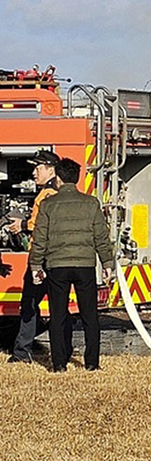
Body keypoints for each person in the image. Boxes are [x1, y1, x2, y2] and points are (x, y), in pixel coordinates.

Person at [28, 157, 114, 372]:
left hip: (57, 266)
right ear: (76, 178)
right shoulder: (91, 203)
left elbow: (40, 239)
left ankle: (58, 364)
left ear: (57, 178)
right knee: (89, 316)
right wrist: (107, 263)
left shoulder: (48, 204)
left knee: (58, 315)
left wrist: (36, 266)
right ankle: (92, 363)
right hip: (84, 265)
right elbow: (101, 237)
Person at [8, 149, 70, 364]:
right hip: (58, 257)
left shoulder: (48, 194)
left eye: (38, 168)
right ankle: (65, 351)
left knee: (30, 305)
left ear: (50, 169)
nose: (34, 172)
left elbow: (41, 222)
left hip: (42, 258)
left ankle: (21, 353)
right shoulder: (60, 190)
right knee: (59, 306)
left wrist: (21, 225)